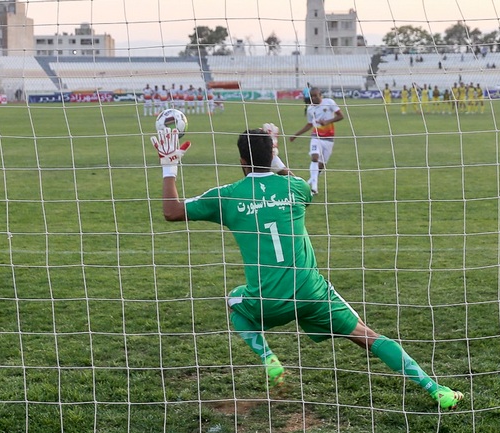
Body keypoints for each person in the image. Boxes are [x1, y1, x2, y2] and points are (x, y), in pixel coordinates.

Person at [150, 127, 464, 411]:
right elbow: (288, 178)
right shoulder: (296, 188)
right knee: (368, 336)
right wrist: (275, 156)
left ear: (241, 160)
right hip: (311, 293)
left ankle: (269, 359)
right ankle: (436, 389)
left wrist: (169, 164)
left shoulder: (227, 196)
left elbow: (171, 211)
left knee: (234, 301)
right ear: (271, 154)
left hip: (267, 302)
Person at [289, 87, 344, 195]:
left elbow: (341, 116)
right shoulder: (310, 109)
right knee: (314, 157)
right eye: (312, 96)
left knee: (321, 166)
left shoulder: (329, 102)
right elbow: (310, 124)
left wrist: (328, 121)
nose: (313, 98)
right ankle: (314, 188)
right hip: (316, 136)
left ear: (320, 95)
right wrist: (296, 135)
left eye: (315, 96)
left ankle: (310, 181)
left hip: (329, 139)